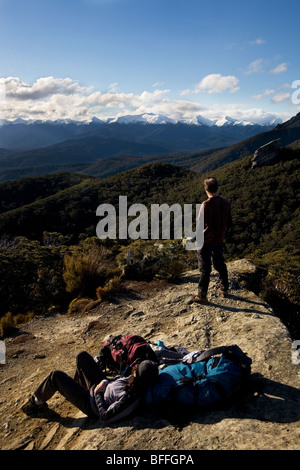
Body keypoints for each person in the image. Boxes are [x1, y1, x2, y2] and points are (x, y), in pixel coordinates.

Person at [21, 351, 158, 424]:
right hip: (101, 386)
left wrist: (98, 393)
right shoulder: (135, 381)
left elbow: (105, 417)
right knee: (82, 356)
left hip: (91, 403)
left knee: (55, 376)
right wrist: (105, 382)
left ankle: (36, 403)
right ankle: (74, 389)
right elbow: (117, 384)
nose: (135, 367)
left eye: (137, 368)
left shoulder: (129, 399)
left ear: (138, 374)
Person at [191, 177, 232, 304]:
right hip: (219, 238)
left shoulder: (205, 204)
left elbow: (199, 225)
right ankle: (224, 288)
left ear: (206, 189)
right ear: (217, 188)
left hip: (206, 239)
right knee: (219, 263)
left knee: (205, 268)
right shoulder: (226, 202)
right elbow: (229, 221)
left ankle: (202, 296)